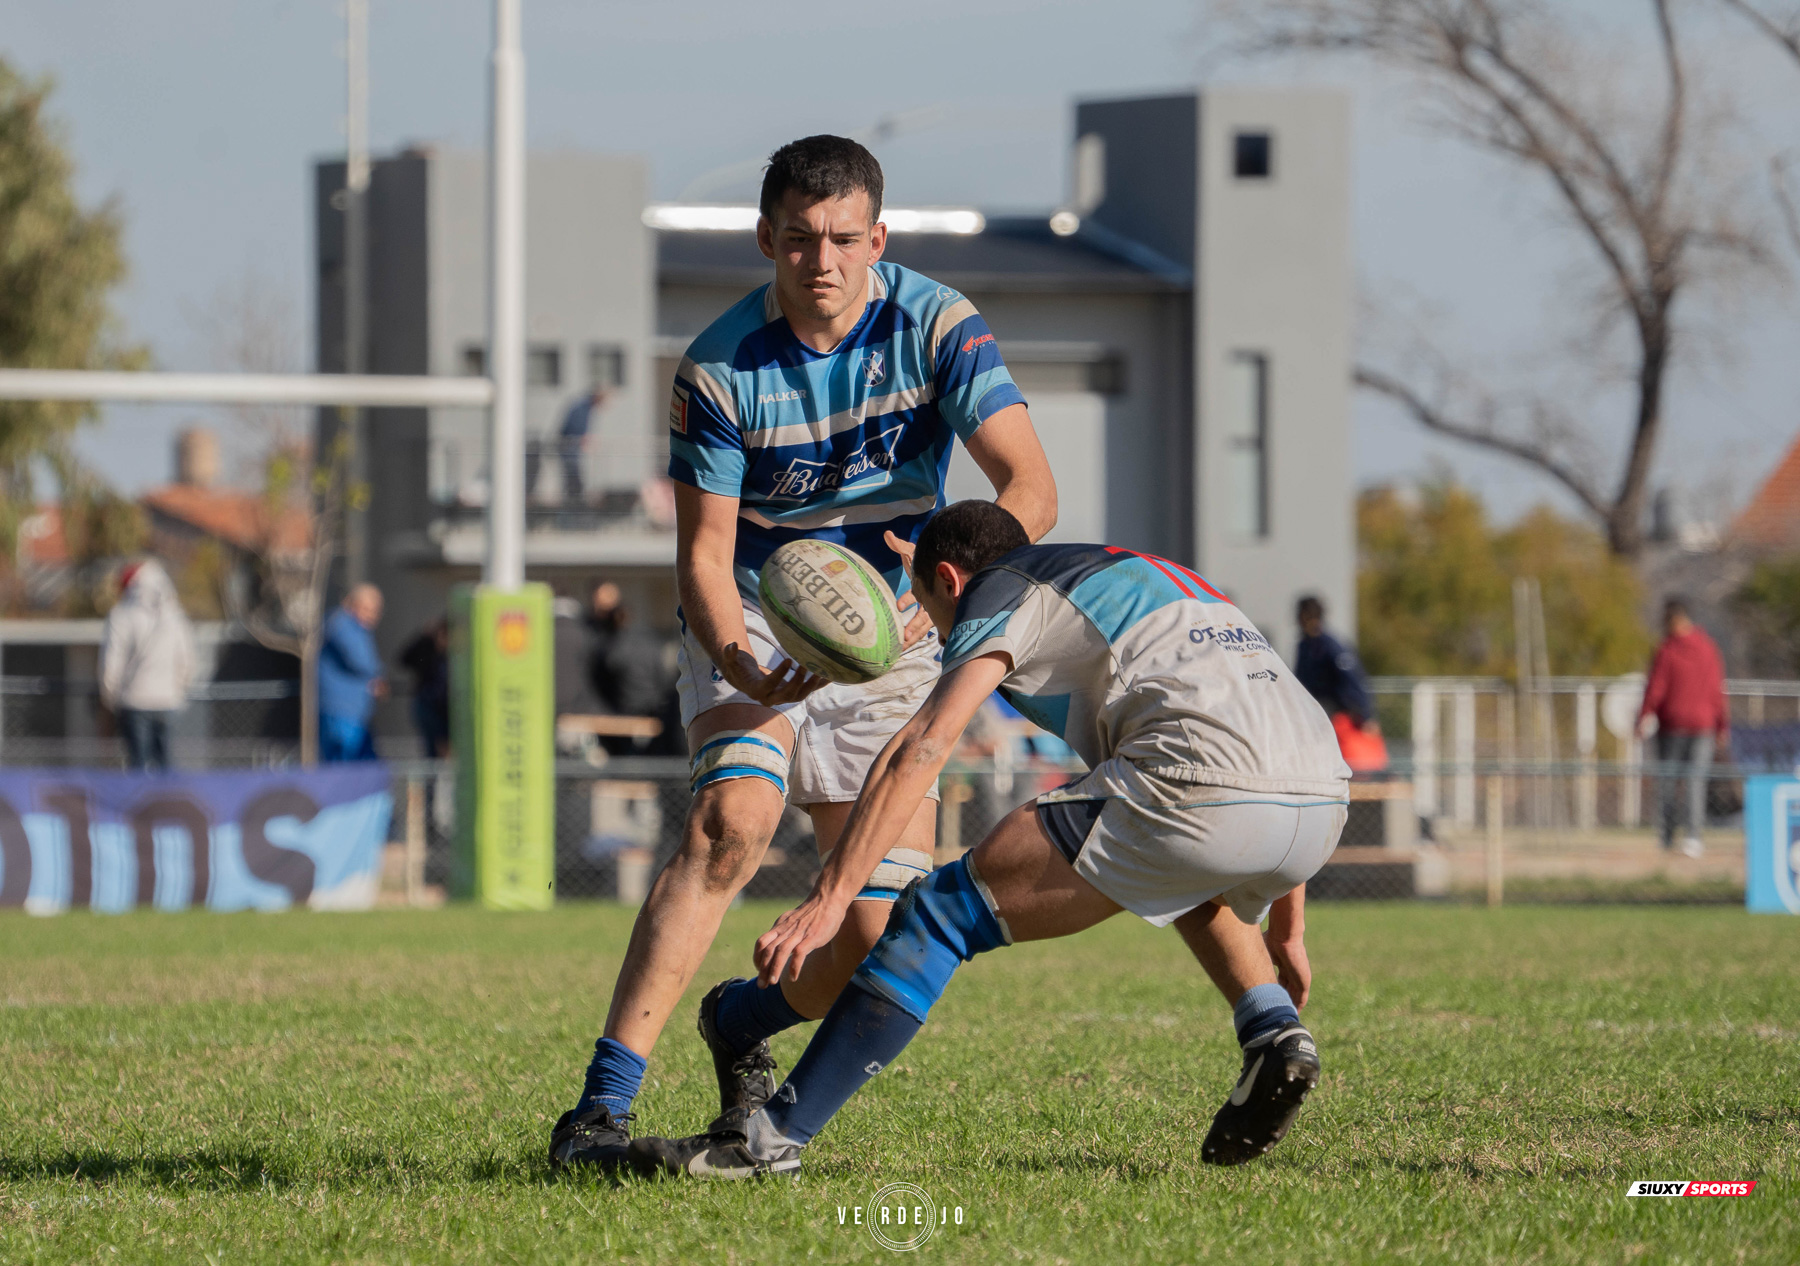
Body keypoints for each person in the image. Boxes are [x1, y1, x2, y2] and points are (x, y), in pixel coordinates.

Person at [546, 135, 1059, 1172]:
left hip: (899, 627)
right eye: (797, 239)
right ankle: (596, 1115)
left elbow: (1031, 491)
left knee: (873, 939)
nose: (819, 260)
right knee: (731, 821)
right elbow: (703, 551)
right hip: (756, 616)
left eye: (840, 238)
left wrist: (936, 611)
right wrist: (734, 654)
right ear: (766, 240)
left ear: (877, 238)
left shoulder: (938, 326)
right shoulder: (718, 369)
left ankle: (740, 1022)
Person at [629, 501, 1350, 1179]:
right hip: (1322, 798)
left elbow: (924, 742)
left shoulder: (999, 589)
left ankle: (767, 1143)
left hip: (1201, 786)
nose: (943, 635)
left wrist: (832, 894)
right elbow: (1266, 741)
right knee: (1180, 868)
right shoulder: (1151, 574)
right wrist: (1288, 926)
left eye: (934, 614)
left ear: (949, 579)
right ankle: (1273, 1031)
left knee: (936, 914)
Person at [1637, 597, 1728, 859]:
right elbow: (1657, 687)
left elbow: (1715, 690)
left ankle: (1689, 837)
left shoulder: (1672, 650)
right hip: (1679, 727)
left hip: (1694, 727)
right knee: (1674, 782)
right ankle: (1672, 837)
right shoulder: (1703, 648)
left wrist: (1722, 725)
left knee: (1690, 782)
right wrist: (1647, 714)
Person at [99, 559, 195, 773]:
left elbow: (110, 665)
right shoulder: (175, 616)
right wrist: (178, 690)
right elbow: (187, 661)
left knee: (138, 766)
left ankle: (141, 806)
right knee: (166, 765)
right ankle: (168, 805)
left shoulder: (122, 615)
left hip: (133, 702)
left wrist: (111, 699)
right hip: (169, 701)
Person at [1294, 595, 1384, 773]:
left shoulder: (1329, 646)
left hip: (1337, 715)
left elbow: (1352, 679)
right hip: (1314, 715)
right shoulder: (1305, 646)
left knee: (1351, 763)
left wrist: (1366, 715)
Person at [317, 584, 386, 762]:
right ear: (352, 604)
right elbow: (360, 660)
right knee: (345, 764)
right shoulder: (341, 623)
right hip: (340, 709)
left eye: (376, 611)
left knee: (362, 764)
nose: (372, 616)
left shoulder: (352, 626)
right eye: (367, 609)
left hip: (354, 711)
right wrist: (378, 674)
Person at [527, 386, 607, 504]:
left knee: (572, 476)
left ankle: (573, 500)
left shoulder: (584, 406)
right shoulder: (581, 407)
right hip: (568, 447)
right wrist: (582, 438)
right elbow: (574, 427)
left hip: (570, 447)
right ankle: (574, 502)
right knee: (572, 476)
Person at [398, 617, 450, 759]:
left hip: (446, 710)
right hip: (428, 707)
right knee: (433, 750)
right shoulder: (427, 648)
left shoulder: (456, 656)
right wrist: (423, 637)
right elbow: (404, 659)